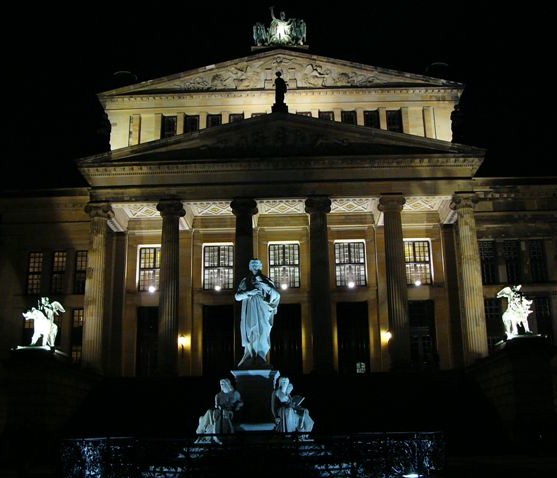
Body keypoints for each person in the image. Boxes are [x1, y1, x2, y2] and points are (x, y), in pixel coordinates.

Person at [235, 258, 281, 368]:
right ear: (250, 267)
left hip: (263, 309)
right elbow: (237, 296)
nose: (255, 266)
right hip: (250, 308)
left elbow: (276, 295)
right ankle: (251, 356)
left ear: (260, 266)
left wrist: (263, 284)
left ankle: (260, 357)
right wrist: (249, 292)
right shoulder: (245, 281)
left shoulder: (266, 280)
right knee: (251, 332)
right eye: (252, 264)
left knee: (263, 332)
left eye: (257, 264)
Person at [196, 378, 243, 444]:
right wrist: (220, 407)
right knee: (210, 411)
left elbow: (240, 403)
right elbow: (216, 405)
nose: (221, 385)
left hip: (230, 412)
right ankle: (202, 429)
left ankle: (202, 426)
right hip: (220, 411)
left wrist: (236, 406)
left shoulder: (235, 393)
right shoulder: (218, 395)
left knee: (214, 414)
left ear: (227, 384)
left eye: (223, 384)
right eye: (220, 384)